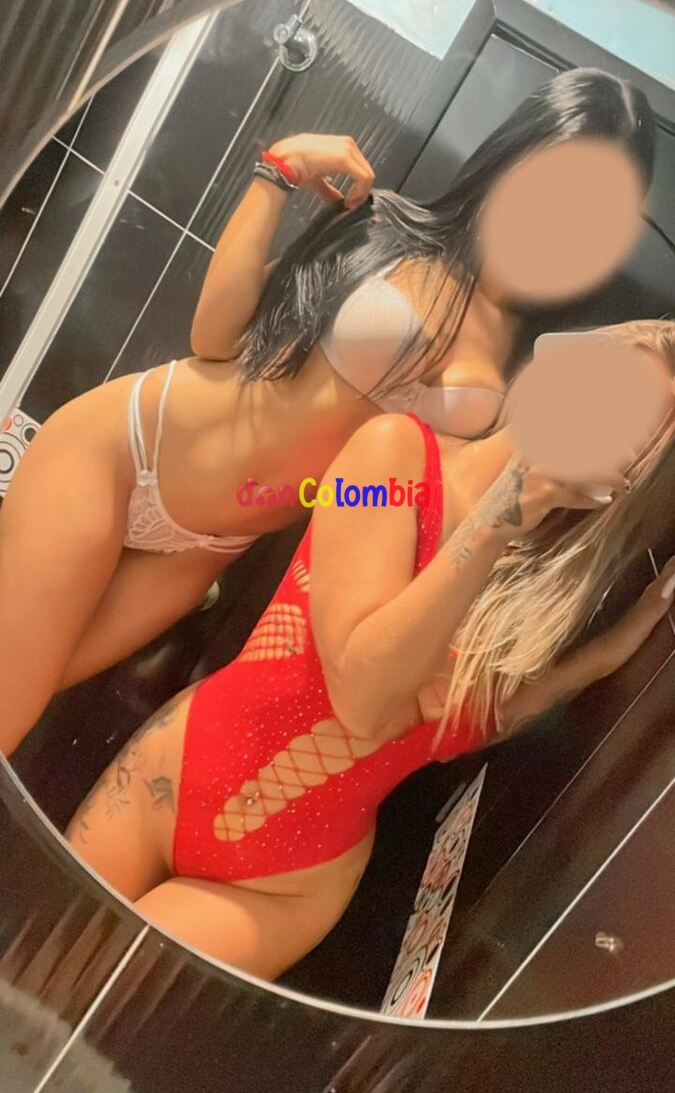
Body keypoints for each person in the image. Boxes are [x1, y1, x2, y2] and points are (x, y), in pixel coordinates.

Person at [0, 68, 655, 755]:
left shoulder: (525, 361)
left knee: (20, 700)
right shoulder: (387, 225)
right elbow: (215, 339)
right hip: (128, 452)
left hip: (207, 547)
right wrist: (274, 173)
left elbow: (380, 493)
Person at [65, 319, 675, 981]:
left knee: (93, 1009)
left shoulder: (532, 604)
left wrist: (614, 647)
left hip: (282, 884)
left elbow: (494, 711)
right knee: (34, 976)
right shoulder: (390, 459)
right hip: (166, 779)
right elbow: (361, 694)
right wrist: (499, 514)